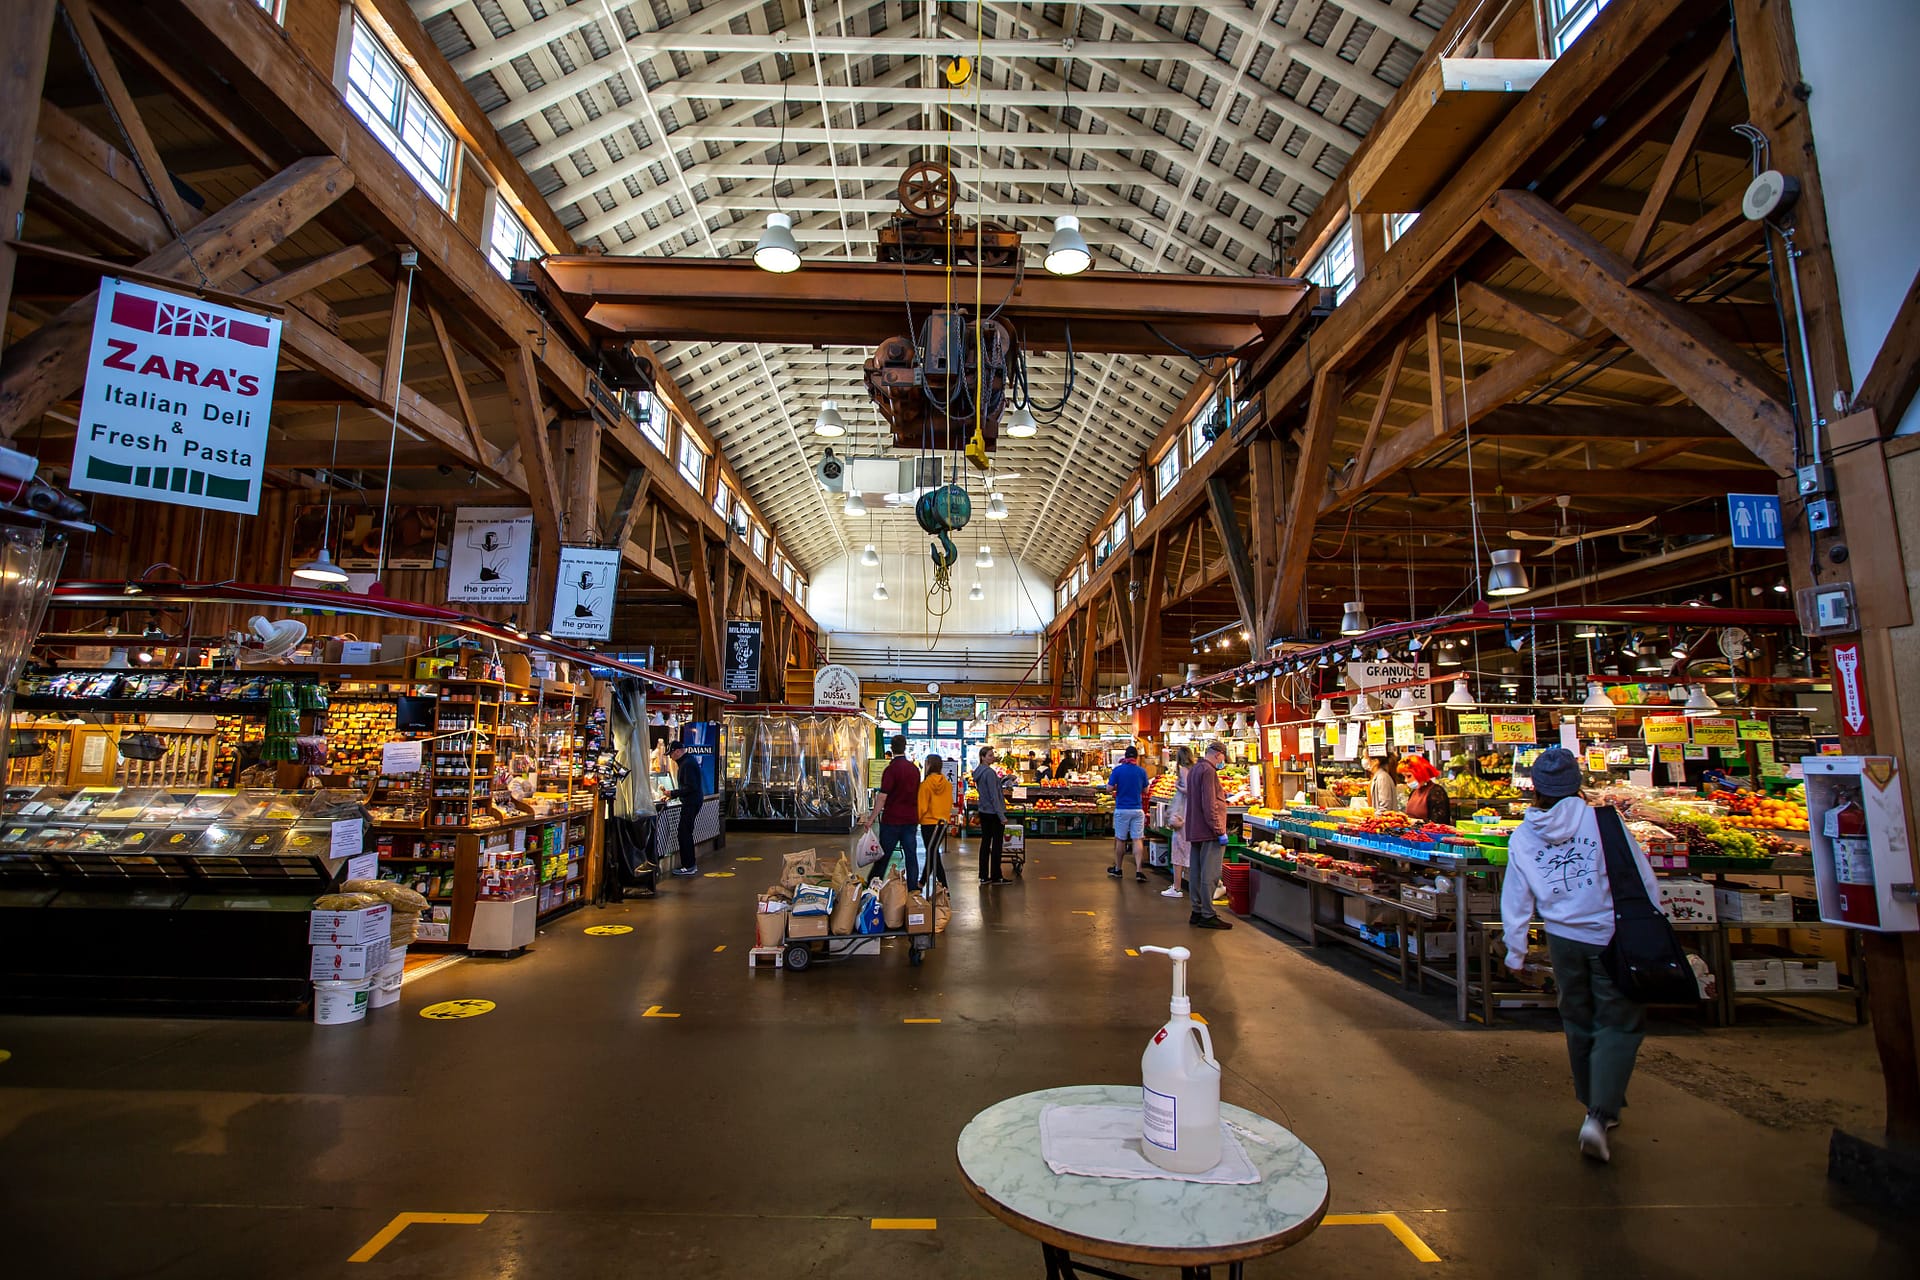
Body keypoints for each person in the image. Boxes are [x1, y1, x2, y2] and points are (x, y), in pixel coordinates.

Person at [1501, 747, 1661, 1164]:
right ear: (1578, 784)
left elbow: (1516, 899)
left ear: (1535, 789)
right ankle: (1600, 1111)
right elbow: (1641, 878)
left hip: (1560, 939)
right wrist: (1656, 924)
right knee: (1620, 1021)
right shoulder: (1604, 822)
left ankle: (1593, 1100)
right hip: (1608, 934)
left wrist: (1516, 950)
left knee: (1577, 1018)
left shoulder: (1524, 834)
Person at [1183, 741, 1232, 929]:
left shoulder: (1195, 769)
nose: (1223, 761)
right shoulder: (1209, 771)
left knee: (1195, 871)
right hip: (1208, 831)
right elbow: (1209, 803)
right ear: (1219, 754)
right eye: (1223, 758)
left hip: (1195, 828)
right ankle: (1207, 914)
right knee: (1209, 874)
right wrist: (1219, 830)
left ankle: (1197, 910)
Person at [869, 735, 923, 889]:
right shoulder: (914, 770)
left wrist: (871, 818)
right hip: (910, 820)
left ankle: (872, 888)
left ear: (891, 749)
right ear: (905, 747)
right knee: (911, 856)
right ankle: (913, 890)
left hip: (891, 820)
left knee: (883, 857)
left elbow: (882, 797)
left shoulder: (890, 770)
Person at [1107, 745, 1150, 882]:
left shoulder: (1118, 770)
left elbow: (1108, 788)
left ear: (1125, 757)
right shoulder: (1141, 771)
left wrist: (1116, 788)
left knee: (1120, 839)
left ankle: (1118, 869)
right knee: (1137, 839)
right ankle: (1139, 871)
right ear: (1136, 758)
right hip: (1137, 810)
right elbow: (1146, 790)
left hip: (1122, 809)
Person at [972, 745, 1011, 885]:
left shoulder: (978, 772)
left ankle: (983, 875)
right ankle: (996, 876)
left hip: (984, 811)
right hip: (993, 813)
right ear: (982, 757)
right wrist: (1002, 816)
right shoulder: (989, 773)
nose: (992, 757)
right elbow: (994, 796)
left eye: (992, 754)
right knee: (996, 845)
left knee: (985, 843)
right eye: (989, 755)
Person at [666, 740, 704, 876]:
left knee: (684, 833)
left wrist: (673, 793)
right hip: (694, 801)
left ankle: (688, 865)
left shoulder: (686, 764)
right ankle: (689, 864)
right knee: (685, 832)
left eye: (671, 754)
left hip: (691, 802)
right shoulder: (688, 761)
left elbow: (690, 787)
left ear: (677, 751)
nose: (670, 757)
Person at [1161, 745, 1195, 900]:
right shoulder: (1195, 770)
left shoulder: (1183, 770)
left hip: (1183, 815)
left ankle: (1177, 887)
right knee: (1190, 850)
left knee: (1178, 850)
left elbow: (1189, 791)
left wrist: (1177, 787)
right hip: (1192, 814)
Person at [918, 754, 953, 891]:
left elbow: (922, 807)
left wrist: (916, 820)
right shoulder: (947, 785)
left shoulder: (925, 785)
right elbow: (949, 803)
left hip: (927, 824)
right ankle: (923, 882)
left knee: (932, 854)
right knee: (932, 853)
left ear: (928, 765)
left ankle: (943, 886)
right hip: (942, 823)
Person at [1403, 754, 1452, 825]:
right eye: (1404, 776)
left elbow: (1440, 822)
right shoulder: (1414, 792)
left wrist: (1417, 822)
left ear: (1420, 774)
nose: (1406, 780)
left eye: (1409, 776)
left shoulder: (1436, 792)